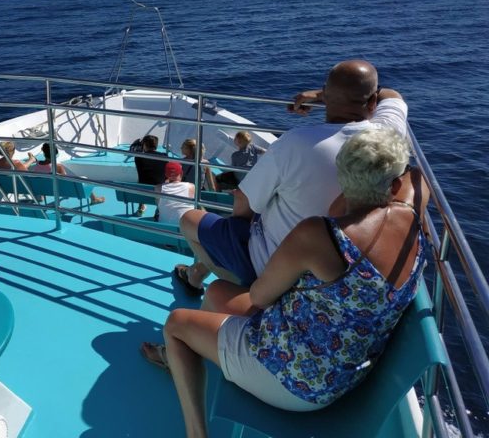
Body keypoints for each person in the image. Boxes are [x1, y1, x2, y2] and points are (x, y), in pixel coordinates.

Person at [142, 128, 428, 436]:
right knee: (217, 291)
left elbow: (260, 295)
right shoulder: (411, 218)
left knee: (175, 325)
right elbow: (418, 177)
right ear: (395, 184)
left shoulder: (319, 235)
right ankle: (190, 359)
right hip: (348, 367)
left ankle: (195, 431)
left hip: (295, 379)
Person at [176, 60, 408, 294]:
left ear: (326, 96)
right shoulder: (388, 136)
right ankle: (197, 274)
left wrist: (323, 95)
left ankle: (243, 288)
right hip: (341, 266)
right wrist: (336, 95)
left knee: (189, 220)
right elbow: (392, 94)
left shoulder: (296, 143)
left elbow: (242, 202)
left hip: (272, 265)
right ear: (372, 103)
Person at [31, 141, 105, 204]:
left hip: (43, 190)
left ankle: (40, 196)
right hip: (61, 191)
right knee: (84, 180)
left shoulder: (38, 164)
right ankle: (94, 199)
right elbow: (66, 181)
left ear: (43, 153)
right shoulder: (58, 166)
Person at [134, 134, 168, 216]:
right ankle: (159, 209)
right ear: (156, 145)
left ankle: (141, 207)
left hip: (143, 189)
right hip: (160, 189)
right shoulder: (164, 156)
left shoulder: (138, 157)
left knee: (142, 180)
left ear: (144, 145)